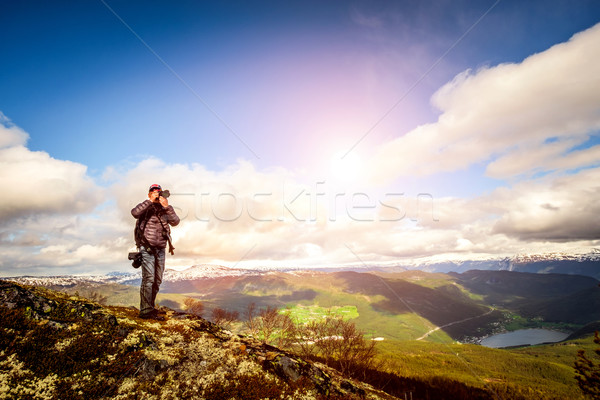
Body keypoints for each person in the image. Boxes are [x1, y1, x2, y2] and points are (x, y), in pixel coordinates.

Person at [131, 184, 180, 320]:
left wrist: (167, 207)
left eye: (158, 192)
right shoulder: (145, 207)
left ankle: (150, 308)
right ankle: (146, 311)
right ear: (149, 194)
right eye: (153, 192)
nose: (156, 194)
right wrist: (150, 201)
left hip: (161, 248)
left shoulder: (165, 209)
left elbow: (175, 221)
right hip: (146, 247)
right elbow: (134, 213)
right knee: (149, 278)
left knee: (157, 280)